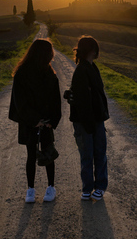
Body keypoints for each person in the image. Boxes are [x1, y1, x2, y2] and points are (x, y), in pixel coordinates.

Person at [9, 39, 61, 203]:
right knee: (44, 153)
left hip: (35, 122)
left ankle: (37, 189)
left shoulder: (30, 73)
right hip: (36, 121)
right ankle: (43, 188)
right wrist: (44, 121)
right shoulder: (37, 74)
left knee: (36, 154)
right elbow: (20, 102)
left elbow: (54, 101)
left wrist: (45, 120)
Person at [68, 35, 109, 201]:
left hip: (96, 120)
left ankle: (97, 187)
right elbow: (82, 101)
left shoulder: (92, 68)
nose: (97, 52)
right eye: (96, 49)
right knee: (89, 154)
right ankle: (89, 188)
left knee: (97, 154)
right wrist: (89, 124)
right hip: (86, 121)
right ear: (92, 51)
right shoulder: (81, 71)